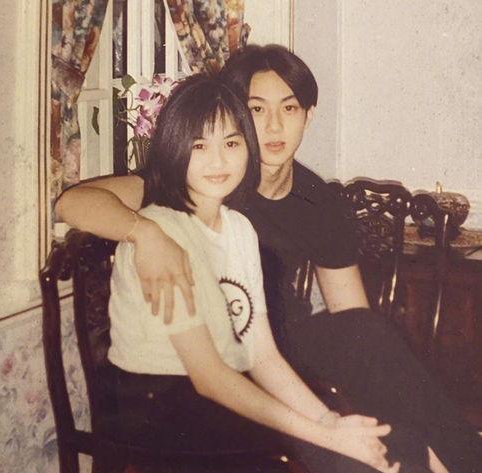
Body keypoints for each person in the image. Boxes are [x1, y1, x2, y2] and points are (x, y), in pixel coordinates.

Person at [55, 45, 482, 472]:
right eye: (257, 109)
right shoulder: (188, 190)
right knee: (359, 445)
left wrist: (347, 419)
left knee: (376, 364)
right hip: (194, 382)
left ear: (307, 116)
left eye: (288, 108)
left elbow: (344, 320)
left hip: (273, 347)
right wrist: (144, 233)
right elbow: (72, 203)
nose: (274, 125)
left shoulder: (300, 204)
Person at [105, 72, 415, 473]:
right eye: (199, 145)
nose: (219, 161)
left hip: (222, 392)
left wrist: (330, 422)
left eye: (231, 143)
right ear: (174, 149)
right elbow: (209, 378)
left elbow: (261, 354)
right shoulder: (163, 234)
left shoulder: (238, 229)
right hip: (160, 408)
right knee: (335, 456)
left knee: (380, 443)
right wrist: (326, 437)